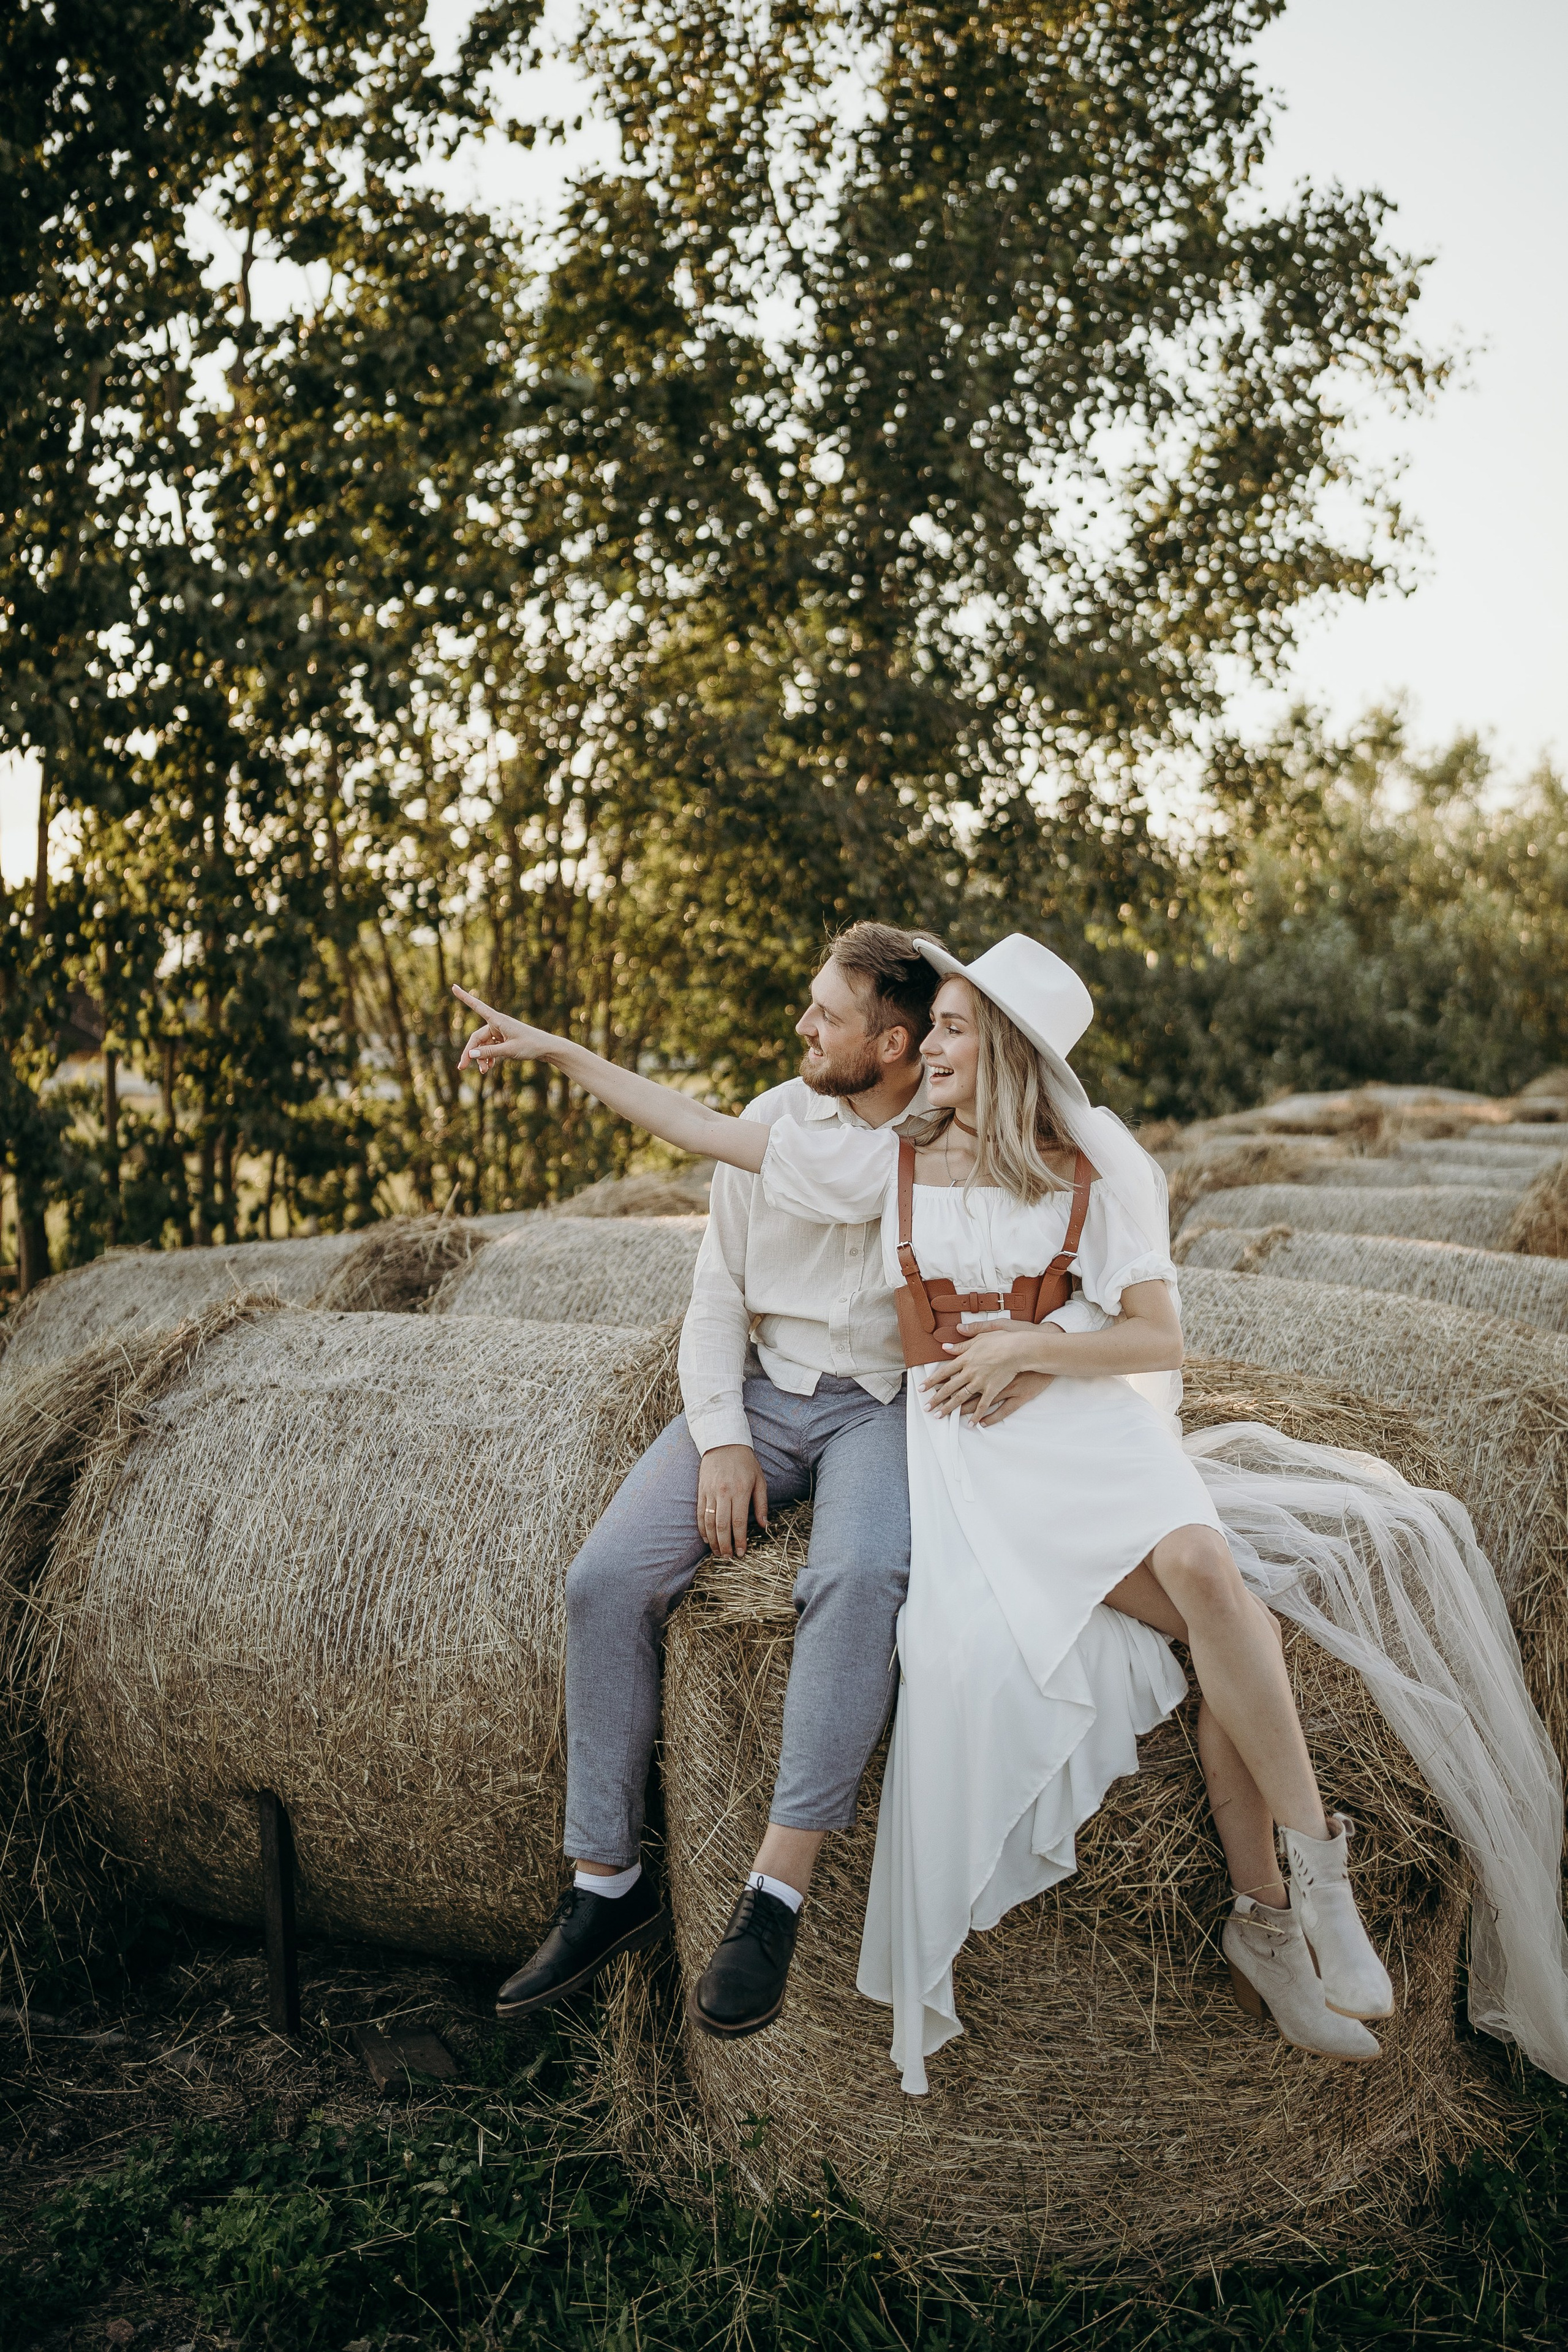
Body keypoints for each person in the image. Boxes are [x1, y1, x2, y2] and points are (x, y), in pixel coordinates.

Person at [457, 934, 1568, 2094]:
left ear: (1001, 1048)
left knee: (1197, 1577)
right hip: (947, 1437)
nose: (930, 1046)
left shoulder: (1087, 1158)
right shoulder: (879, 1158)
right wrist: (559, 1052)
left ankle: (1302, 1893)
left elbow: (1152, 1328)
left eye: (950, 1029)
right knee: (1225, 1623)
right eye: (928, 1026)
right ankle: (1271, 1915)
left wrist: (1043, 1348)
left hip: (1035, 1420)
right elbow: (699, 1137)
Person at [472, 925, 946, 2038]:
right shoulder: (779, 1116)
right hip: (768, 1394)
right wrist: (725, 1434)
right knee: (602, 1580)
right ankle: (606, 1883)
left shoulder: (944, 1144)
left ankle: (775, 1896)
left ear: (891, 1041)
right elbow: (716, 1296)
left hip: (881, 1408)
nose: (802, 1028)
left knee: (861, 1574)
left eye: (825, 1014)